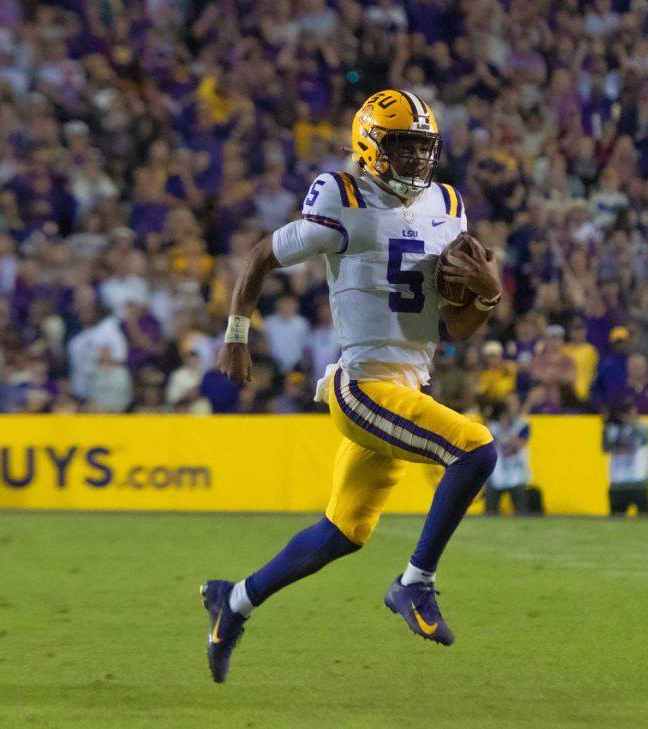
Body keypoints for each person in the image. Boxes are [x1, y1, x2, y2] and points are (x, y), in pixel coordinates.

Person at [202, 90, 501, 682]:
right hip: (363, 386)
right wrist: (237, 333)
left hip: (407, 388)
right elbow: (262, 255)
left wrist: (488, 294)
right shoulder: (341, 196)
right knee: (476, 448)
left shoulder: (447, 204)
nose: (416, 159)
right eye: (402, 146)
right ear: (371, 146)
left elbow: (456, 328)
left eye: (423, 147)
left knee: (342, 533)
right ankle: (415, 584)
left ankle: (232, 602)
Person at [483, 394, 532, 516]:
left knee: (521, 510)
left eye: (513, 404)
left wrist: (507, 427)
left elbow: (517, 445)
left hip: (516, 473)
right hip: (496, 472)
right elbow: (488, 444)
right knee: (490, 511)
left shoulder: (522, 425)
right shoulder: (492, 426)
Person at [601, 400, 648, 516]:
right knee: (616, 524)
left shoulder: (644, 426)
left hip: (639, 483)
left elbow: (647, 437)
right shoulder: (612, 429)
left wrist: (630, 423)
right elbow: (605, 449)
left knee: (646, 523)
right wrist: (605, 427)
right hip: (618, 484)